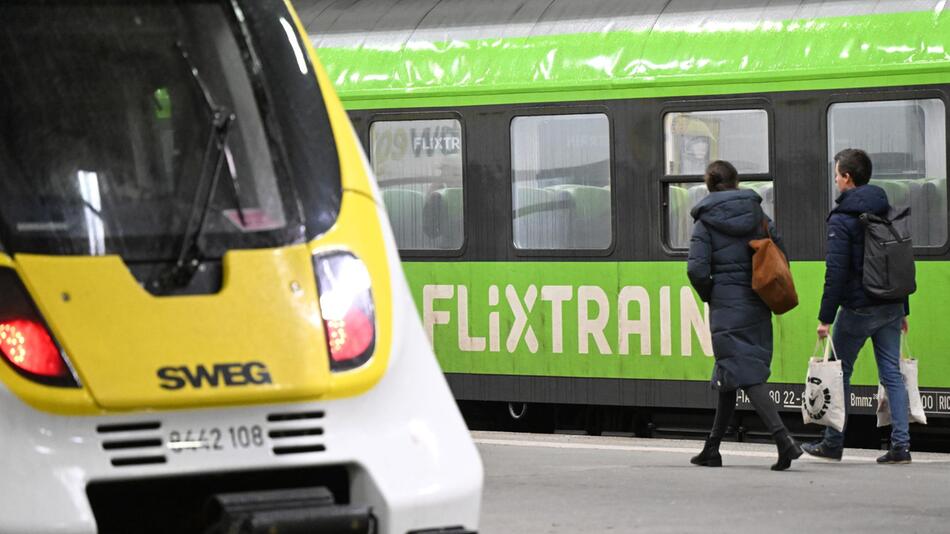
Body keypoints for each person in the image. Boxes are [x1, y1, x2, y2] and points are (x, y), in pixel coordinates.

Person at [687, 160, 802, 471]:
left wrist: (712, 293)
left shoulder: (705, 222)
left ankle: (784, 441)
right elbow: (779, 252)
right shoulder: (757, 214)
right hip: (757, 301)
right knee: (730, 371)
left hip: (726, 304)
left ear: (709, 185)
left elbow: (696, 269)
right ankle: (712, 449)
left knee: (745, 373)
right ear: (736, 182)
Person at [804, 148, 912, 464]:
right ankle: (901, 446)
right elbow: (897, 260)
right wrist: (903, 308)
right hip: (890, 305)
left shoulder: (843, 218)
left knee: (839, 373)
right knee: (891, 374)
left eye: (837, 174)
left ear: (848, 178)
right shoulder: (885, 207)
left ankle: (833, 443)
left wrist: (825, 318)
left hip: (859, 308)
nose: (836, 180)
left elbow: (835, 272)